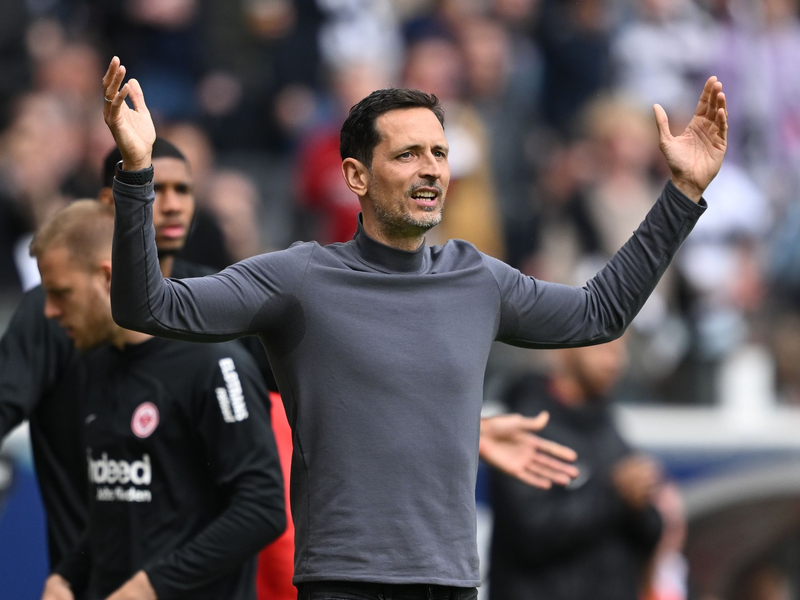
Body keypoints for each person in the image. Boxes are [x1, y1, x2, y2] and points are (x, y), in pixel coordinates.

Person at [102, 55, 727, 599]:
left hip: (451, 584)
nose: (431, 169)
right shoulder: (297, 278)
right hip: (342, 584)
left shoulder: (478, 278)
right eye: (407, 155)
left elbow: (600, 313)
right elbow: (148, 308)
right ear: (356, 176)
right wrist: (135, 172)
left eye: (440, 153)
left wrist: (681, 193)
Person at [0, 139, 577, 595]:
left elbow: (332, 392)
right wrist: (71, 573)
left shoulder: (222, 308)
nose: (172, 204)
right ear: (114, 204)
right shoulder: (63, 322)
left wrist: (455, 430)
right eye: (158, 188)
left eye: (184, 189)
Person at [33, 201, 286, 600]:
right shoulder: (94, 366)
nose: (49, 311)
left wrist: (151, 586)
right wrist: (66, 576)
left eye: (60, 293)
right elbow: (119, 507)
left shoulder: (213, 364)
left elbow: (262, 510)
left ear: (106, 278)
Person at [488, 338, 664, 600]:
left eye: (621, 350)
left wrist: (640, 501)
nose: (616, 361)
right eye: (604, 347)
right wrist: (614, 494)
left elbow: (649, 532)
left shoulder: (606, 422)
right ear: (566, 347)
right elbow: (530, 533)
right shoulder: (527, 422)